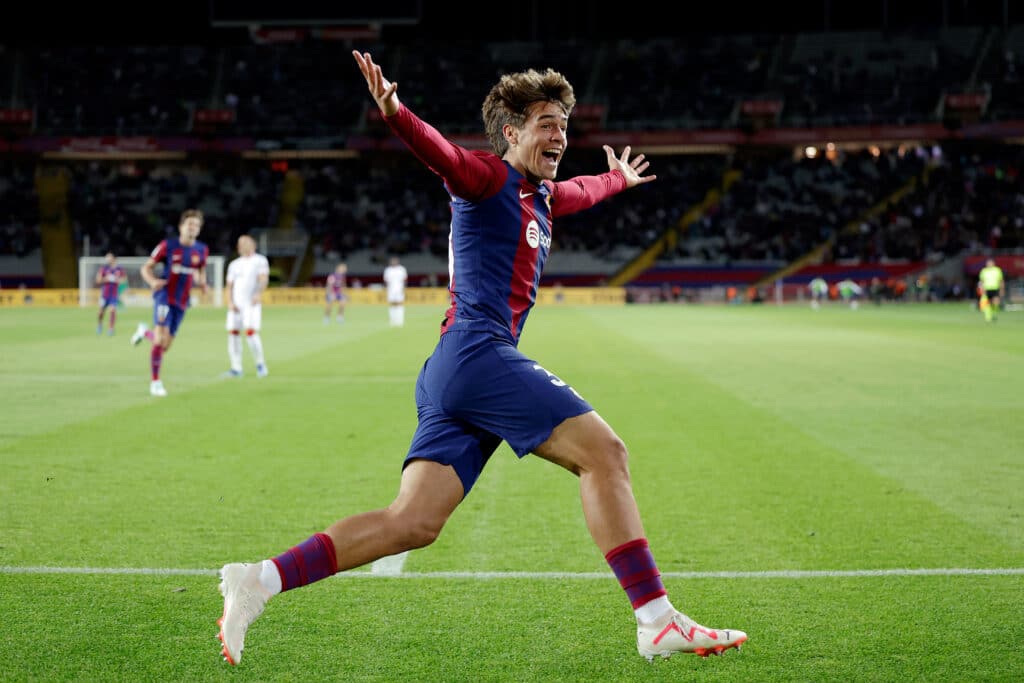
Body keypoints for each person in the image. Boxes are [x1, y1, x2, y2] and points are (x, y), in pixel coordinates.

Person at [216, 50, 747, 667]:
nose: (561, 135)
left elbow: (582, 189)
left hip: (454, 368)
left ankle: (257, 581)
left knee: (412, 521)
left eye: (565, 125)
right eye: (548, 122)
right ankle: (656, 620)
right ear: (512, 131)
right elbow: (441, 153)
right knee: (605, 454)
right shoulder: (487, 178)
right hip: (477, 352)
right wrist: (394, 110)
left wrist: (618, 180)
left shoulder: (542, 199)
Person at [130, 209, 209, 397]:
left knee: (165, 345)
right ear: (181, 227)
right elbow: (146, 267)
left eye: (196, 225)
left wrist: (202, 282)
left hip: (182, 301)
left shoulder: (201, 250)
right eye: (189, 224)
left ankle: (144, 332)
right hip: (164, 295)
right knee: (160, 339)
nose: (193, 228)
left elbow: (200, 269)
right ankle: (155, 383)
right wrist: (152, 282)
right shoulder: (168, 246)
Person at [225, 234, 270, 378]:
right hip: (236, 305)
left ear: (252, 245)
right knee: (233, 334)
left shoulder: (260, 261)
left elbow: (263, 279)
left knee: (250, 332)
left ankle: (260, 364)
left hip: (251, 303)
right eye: (239, 243)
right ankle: (236, 368)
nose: (241, 245)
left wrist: (258, 293)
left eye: (244, 243)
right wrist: (230, 302)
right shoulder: (234, 264)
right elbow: (229, 286)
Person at [95, 251, 126, 335]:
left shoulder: (119, 269)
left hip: (114, 295)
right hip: (104, 294)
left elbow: (124, 280)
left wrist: (116, 279)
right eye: (106, 257)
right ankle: (100, 325)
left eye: (109, 257)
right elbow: (98, 280)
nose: (107, 259)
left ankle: (111, 329)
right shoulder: (104, 269)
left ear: (113, 258)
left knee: (112, 311)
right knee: (101, 312)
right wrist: (107, 278)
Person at [383, 255, 408, 327]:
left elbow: (405, 280)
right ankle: (392, 320)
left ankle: (400, 320)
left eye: (395, 261)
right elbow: (386, 281)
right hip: (391, 289)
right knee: (392, 304)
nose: (393, 262)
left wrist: (404, 288)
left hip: (399, 289)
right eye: (392, 261)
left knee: (399, 304)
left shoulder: (401, 269)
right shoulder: (388, 270)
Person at [977, 258, 1005, 322]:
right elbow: (981, 281)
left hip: (995, 288)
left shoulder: (997, 270)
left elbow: (1001, 280)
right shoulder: (984, 271)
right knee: (987, 303)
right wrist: (981, 289)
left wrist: (1002, 289)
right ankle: (988, 317)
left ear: (993, 263)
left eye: (991, 263)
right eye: (988, 263)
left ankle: (994, 313)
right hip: (987, 289)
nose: (989, 264)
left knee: (996, 303)